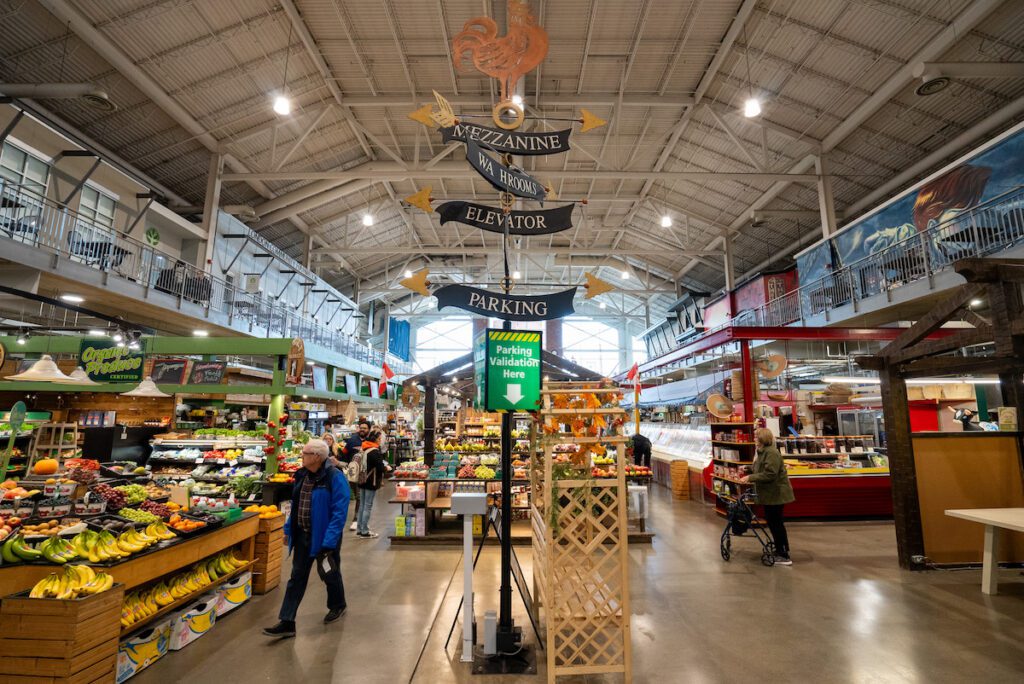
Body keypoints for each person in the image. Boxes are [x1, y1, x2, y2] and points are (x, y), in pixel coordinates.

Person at [263, 440, 351, 638]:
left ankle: (338, 604)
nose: (302, 456)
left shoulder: (334, 478)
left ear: (317, 457)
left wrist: (328, 542)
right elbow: (296, 505)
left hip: (324, 537)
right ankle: (287, 621)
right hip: (302, 534)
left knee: (329, 573)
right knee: (296, 577)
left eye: (305, 453)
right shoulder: (302, 475)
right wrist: (288, 530)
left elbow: (339, 513)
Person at [740, 428, 795, 566]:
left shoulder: (771, 453)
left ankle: (784, 555)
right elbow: (762, 469)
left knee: (776, 524)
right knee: (773, 522)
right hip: (771, 494)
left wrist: (750, 477)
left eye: (756, 436)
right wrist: (748, 469)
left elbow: (770, 474)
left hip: (776, 494)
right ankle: (780, 550)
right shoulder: (763, 452)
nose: (754, 439)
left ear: (763, 438)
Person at [356, 427, 390, 539]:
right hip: (371, 481)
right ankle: (365, 531)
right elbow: (379, 467)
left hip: (362, 480)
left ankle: (360, 529)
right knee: (368, 506)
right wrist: (387, 468)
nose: (381, 440)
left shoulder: (364, 448)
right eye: (380, 438)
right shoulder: (374, 451)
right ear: (376, 439)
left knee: (362, 505)